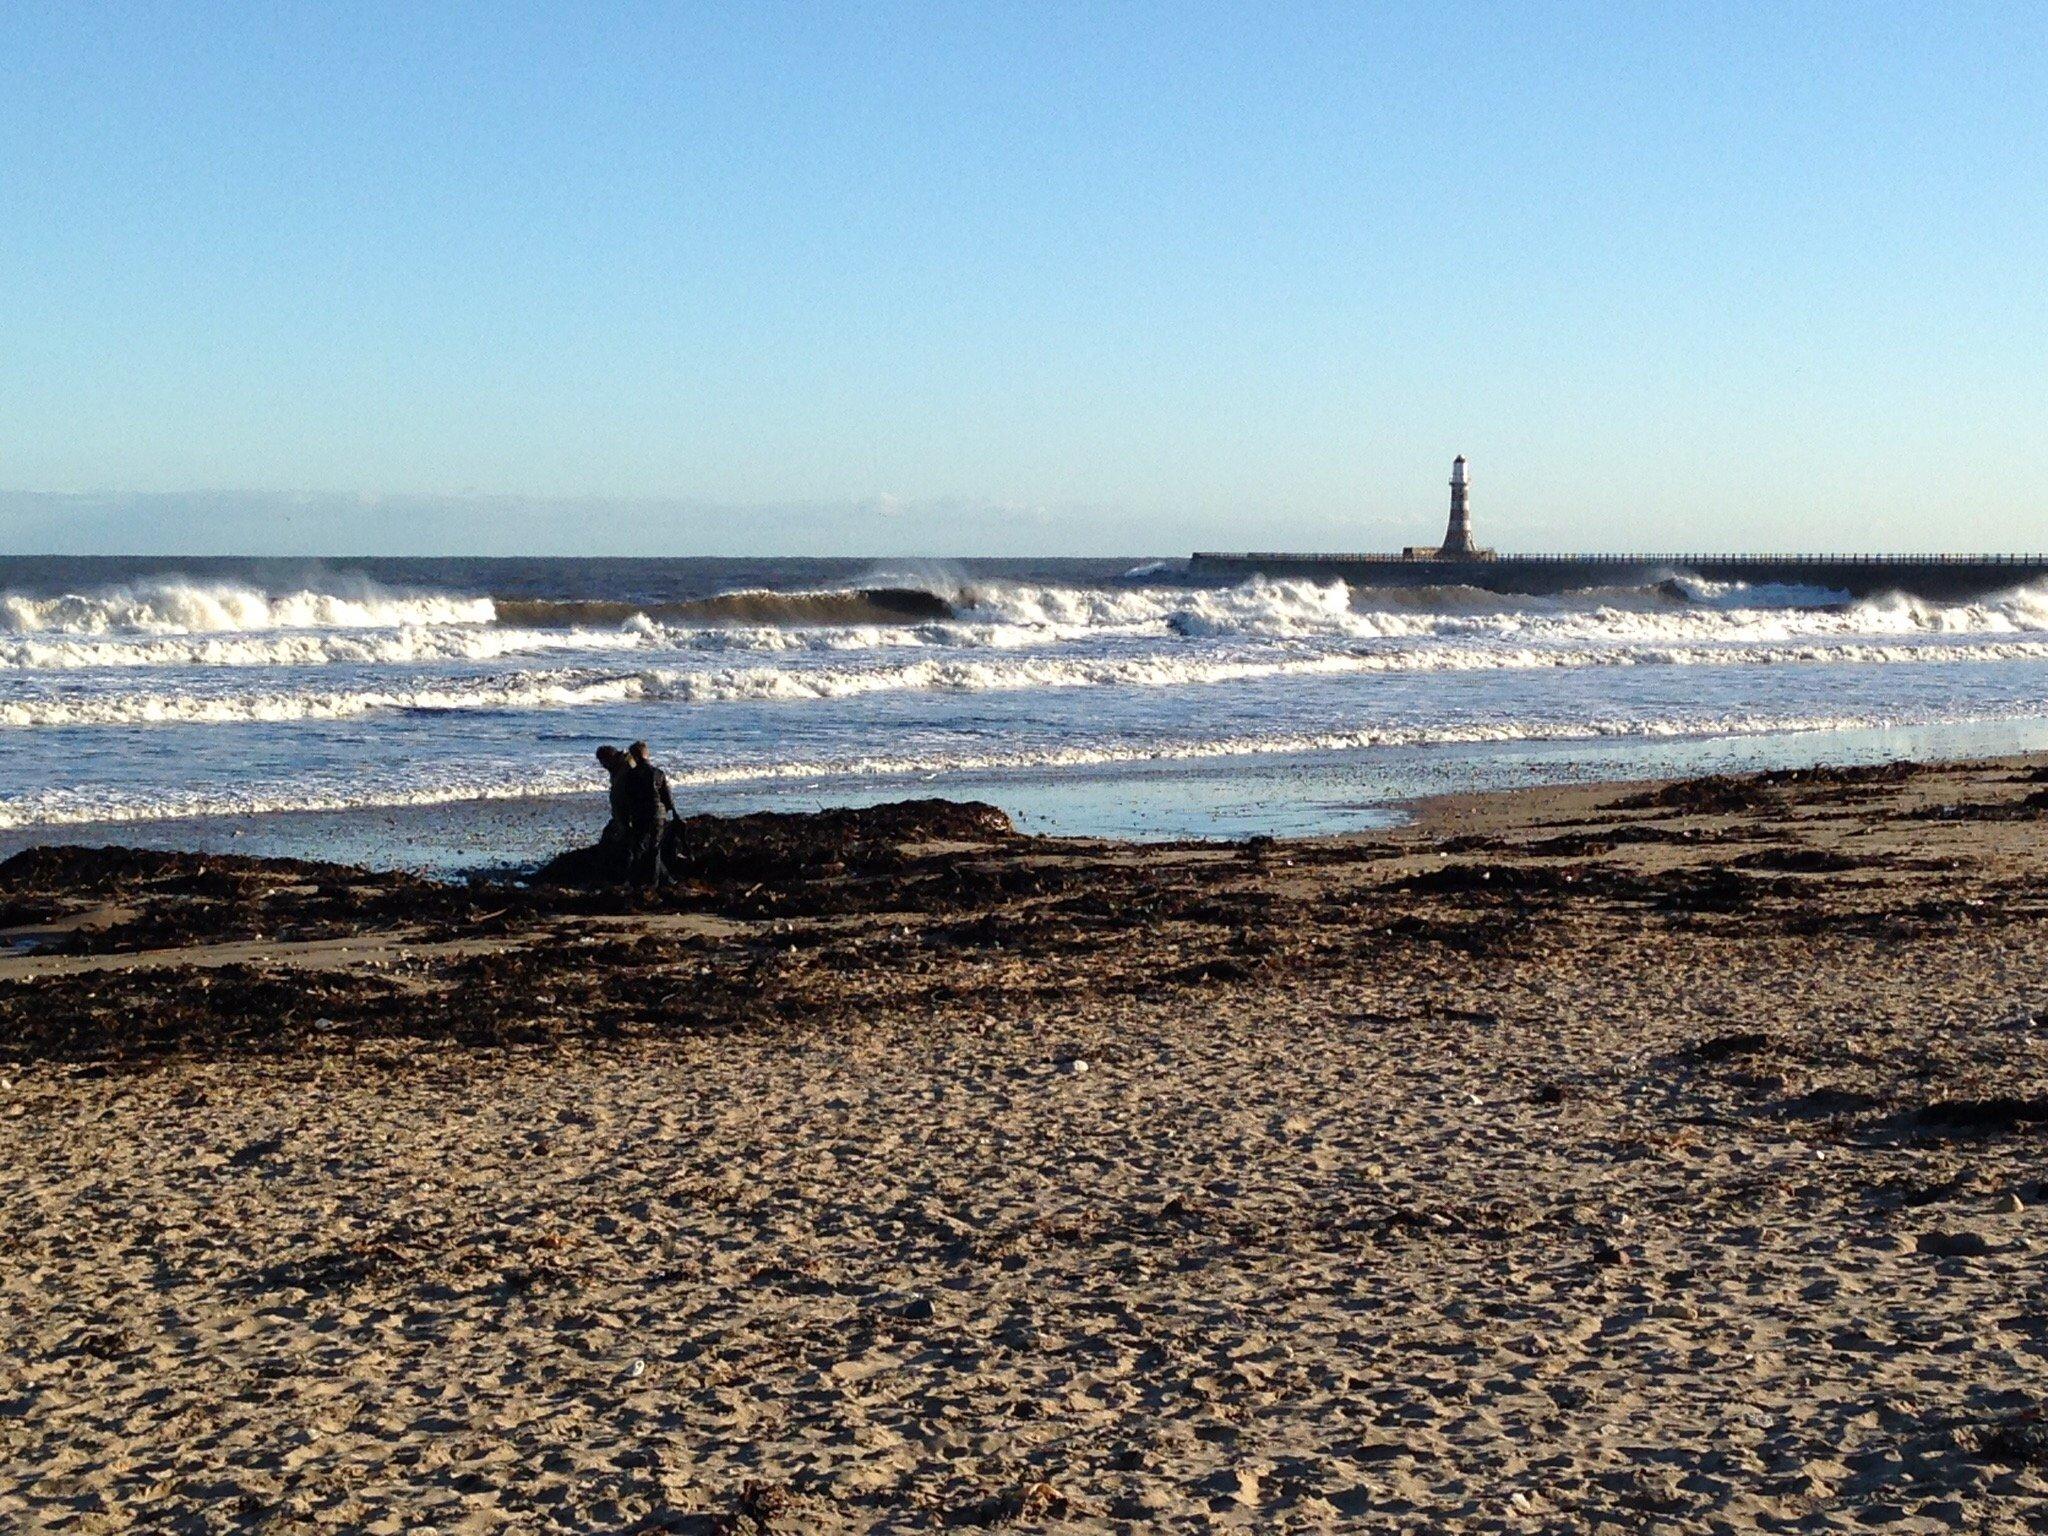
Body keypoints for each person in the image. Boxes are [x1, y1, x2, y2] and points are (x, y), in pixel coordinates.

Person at [621, 740, 675, 886]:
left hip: (640, 814)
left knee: (638, 847)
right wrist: (672, 813)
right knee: (655, 848)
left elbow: (627, 797)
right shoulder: (658, 773)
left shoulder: (630, 775)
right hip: (658, 814)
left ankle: (634, 880)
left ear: (634, 757)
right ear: (647, 754)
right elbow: (667, 798)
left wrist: (627, 817)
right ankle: (653, 883)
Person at [593, 745, 634, 878]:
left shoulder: (627, 767)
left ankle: (624, 876)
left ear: (608, 758)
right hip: (621, 814)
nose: (602, 766)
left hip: (628, 815)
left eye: (602, 762)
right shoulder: (619, 767)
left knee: (627, 845)